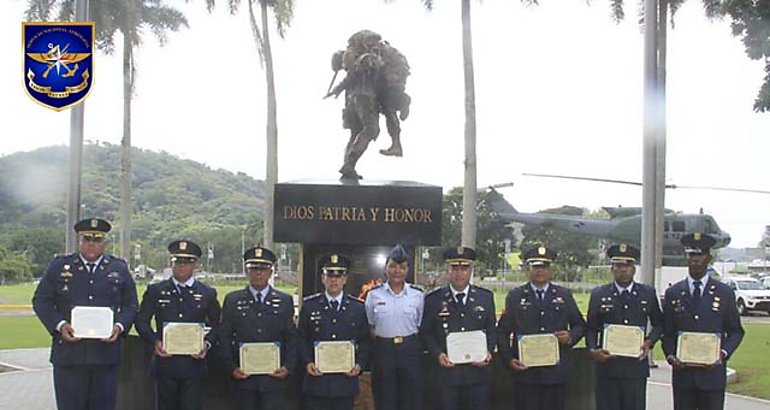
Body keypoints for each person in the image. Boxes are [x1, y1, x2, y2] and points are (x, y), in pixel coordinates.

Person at [32, 218, 138, 410]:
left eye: (96, 240)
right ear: (79, 241)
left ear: (104, 244)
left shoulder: (118, 268)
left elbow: (131, 304)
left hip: (105, 355)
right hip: (69, 355)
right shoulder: (59, 266)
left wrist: (119, 326)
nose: (91, 244)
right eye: (86, 239)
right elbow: (41, 300)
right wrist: (60, 325)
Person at [496, 245, 585, 410]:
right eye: (535, 266)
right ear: (528, 270)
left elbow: (580, 325)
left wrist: (571, 337)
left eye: (544, 266)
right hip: (526, 373)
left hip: (555, 373)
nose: (540, 271)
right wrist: (508, 360)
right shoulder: (515, 296)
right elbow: (502, 331)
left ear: (551, 270)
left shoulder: (563, 295)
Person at [135, 240, 221, 410]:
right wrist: (155, 341)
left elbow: (218, 325)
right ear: (171, 263)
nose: (182, 266)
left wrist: (207, 343)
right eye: (178, 262)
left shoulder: (207, 293)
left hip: (194, 365)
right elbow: (141, 321)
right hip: (165, 364)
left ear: (195, 265)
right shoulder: (156, 291)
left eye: (187, 262)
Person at [663, 233, 744, 410]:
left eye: (699, 255)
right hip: (684, 376)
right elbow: (667, 333)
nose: (695, 260)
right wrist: (670, 355)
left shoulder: (724, 293)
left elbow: (736, 331)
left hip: (712, 377)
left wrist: (723, 353)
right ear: (686, 257)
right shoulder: (673, 293)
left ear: (709, 258)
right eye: (691, 255)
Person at [585, 243, 663, 410]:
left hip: (635, 368)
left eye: (627, 265)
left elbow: (659, 324)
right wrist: (593, 350)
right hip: (607, 368)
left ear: (633, 269)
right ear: (612, 269)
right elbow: (591, 328)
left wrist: (650, 342)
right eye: (618, 265)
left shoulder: (647, 293)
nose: (623, 270)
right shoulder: (599, 294)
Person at [218, 246, 297, 410]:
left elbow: (291, 337)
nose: (258, 273)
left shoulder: (284, 300)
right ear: (247, 271)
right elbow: (224, 336)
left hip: (274, 379)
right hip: (244, 378)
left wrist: (288, 367)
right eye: (254, 268)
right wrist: (231, 367)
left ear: (271, 272)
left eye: (263, 268)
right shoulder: (233, 300)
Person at [420, 247, 496, 410]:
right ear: (448, 270)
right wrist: (438, 354)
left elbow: (492, 329)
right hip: (447, 375)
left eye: (464, 268)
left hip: (477, 375)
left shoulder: (485, 297)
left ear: (471, 271)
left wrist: (488, 352)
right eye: (454, 268)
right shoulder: (434, 299)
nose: (459, 273)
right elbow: (426, 332)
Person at [297, 253, 371, 410]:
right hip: (317, 382)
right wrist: (307, 362)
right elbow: (301, 339)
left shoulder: (357, 308)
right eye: (329, 275)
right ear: (322, 279)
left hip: (345, 382)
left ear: (345, 279)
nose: (334, 280)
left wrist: (359, 365)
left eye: (339, 276)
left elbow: (365, 340)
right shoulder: (310, 306)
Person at [364, 244, 424, 410]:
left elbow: (419, 323)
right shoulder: (373, 295)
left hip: (409, 350)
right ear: (385, 269)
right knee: (384, 398)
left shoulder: (417, 295)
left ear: (408, 270)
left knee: (410, 398)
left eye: (402, 267)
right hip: (384, 351)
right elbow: (370, 324)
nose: (397, 271)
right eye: (393, 266)